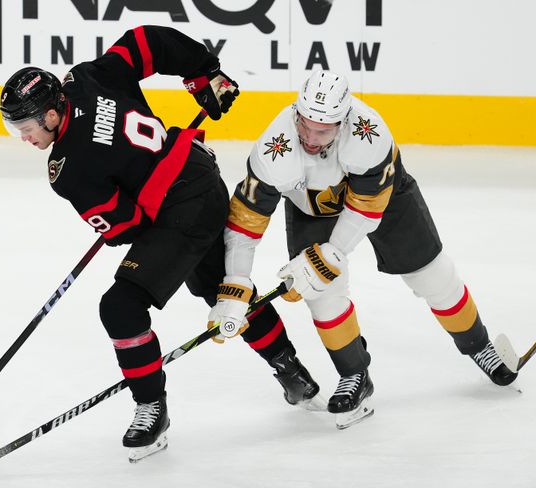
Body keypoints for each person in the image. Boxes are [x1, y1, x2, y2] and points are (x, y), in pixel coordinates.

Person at [0, 26, 323, 462]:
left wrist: (126, 215)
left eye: (24, 125)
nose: (22, 136)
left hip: (182, 211)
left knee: (120, 307)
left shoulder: (67, 169)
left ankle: (151, 407)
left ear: (52, 115)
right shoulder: (84, 79)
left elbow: (126, 227)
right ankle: (292, 368)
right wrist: (203, 73)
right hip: (201, 177)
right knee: (219, 289)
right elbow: (145, 43)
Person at [211, 69, 518, 430]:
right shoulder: (273, 147)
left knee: (431, 275)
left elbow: (365, 209)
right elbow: (244, 224)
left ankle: (479, 344)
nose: (309, 137)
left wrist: (332, 254)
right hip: (313, 208)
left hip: (384, 200)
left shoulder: (369, 135)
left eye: (322, 130)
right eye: (304, 124)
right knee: (322, 294)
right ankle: (355, 375)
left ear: (343, 121)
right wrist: (235, 283)